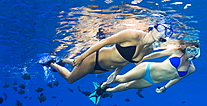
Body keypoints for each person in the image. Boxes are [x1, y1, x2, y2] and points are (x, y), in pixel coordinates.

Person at [39, 23, 174, 84]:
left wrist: (115, 73)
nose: (163, 33)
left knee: (76, 67)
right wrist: (82, 56)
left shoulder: (149, 49)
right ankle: (52, 63)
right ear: (153, 27)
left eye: (167, 33)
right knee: (70, 79)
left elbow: (127, 61)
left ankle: (65, 60)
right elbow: (104, 42)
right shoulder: (132, 34)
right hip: (95, 59)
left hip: (103, 69)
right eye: (162, 28)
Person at [89, 40, 200, 104]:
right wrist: (143, 59)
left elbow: (177, 78)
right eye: (189, 49)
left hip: (151, 81)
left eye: (194, 51)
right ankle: (103, 85)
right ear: (185, 48)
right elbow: (159, 54)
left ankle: (105, 91)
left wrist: (165, 87)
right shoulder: (176, 52)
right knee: (122, 79)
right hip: (147, 68)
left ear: (197, 53)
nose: (191, 52)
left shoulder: (192, 69)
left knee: (128, 86)